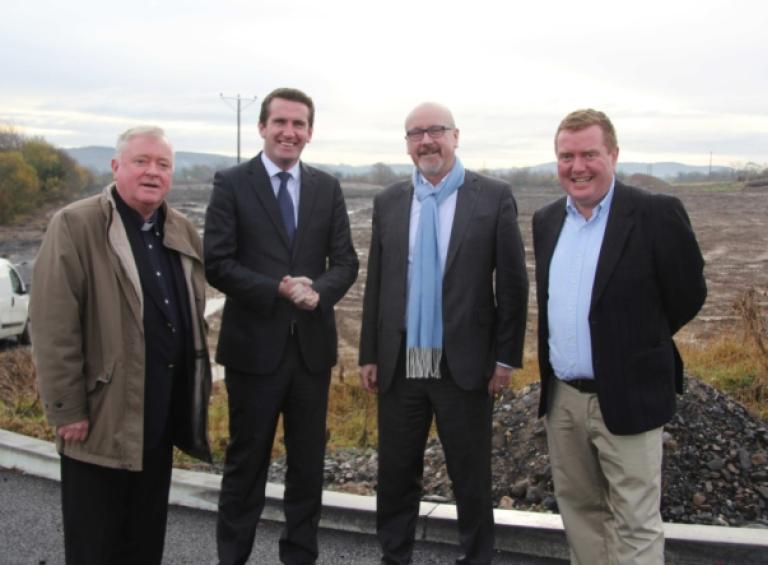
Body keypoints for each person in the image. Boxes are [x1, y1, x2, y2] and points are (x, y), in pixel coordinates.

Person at [29, 126, 212, 565]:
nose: (153, 172)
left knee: (144, 544)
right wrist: (66, 408)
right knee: (96, 546)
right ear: (116, 167)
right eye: (141, 161)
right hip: (100, 417)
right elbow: (53, 325)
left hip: (158, 419)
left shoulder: (181, 229)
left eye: (163, 164)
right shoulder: (76, 225)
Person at [532, 109, 707, 565]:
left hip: (630, 393)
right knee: (581, 513)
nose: (577, 167)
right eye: (566, 157)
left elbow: (688, 294)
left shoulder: (655, 214)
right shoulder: (547, 221)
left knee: (635, 521)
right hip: (564, 401)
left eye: (589, 154)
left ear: (613, 154)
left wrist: (634, 342)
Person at [359, 102, 529, 565]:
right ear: (407, 144)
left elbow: (512, 284)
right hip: (404, 359)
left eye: (436, 130)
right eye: (416, 133)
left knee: (470, 474)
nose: (426, 141)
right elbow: (378, 281)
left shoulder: (492, 196)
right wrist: (369, 352)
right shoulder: (390, 201)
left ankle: (476, 558)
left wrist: (505, 357)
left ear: (456, 135)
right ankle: (395, 556)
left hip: (464, 362)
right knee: (396, 471)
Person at [205, 87, 358, 565]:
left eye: (299, 124)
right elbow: (218, 263)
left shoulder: (327, 187)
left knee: (308, 468)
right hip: (253, 352)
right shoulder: (232, 183)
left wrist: (318, 291)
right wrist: (278, 289)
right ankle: (232, 557)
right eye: (280, 123)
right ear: (262, 127)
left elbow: (346, 262)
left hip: (311, 353)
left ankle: (299, 557)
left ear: (310, 132)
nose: (289, 132)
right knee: (246, 464)